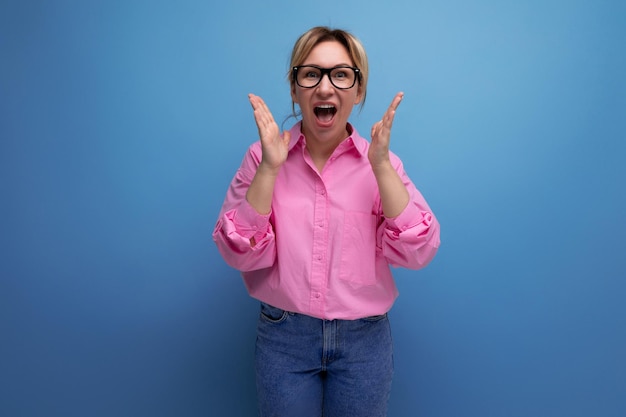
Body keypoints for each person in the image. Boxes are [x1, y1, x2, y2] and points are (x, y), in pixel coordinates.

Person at [213, 26, 440, 417]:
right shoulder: (260, 158)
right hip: (283, 337)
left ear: (358, 89)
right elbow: (239, 255)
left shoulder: (381, 164)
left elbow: (419, 252)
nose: (324, 87)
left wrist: (382, 166)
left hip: (364, 341)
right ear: (295, 87)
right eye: (311, 74)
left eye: (340, 74)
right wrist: (269, 169)